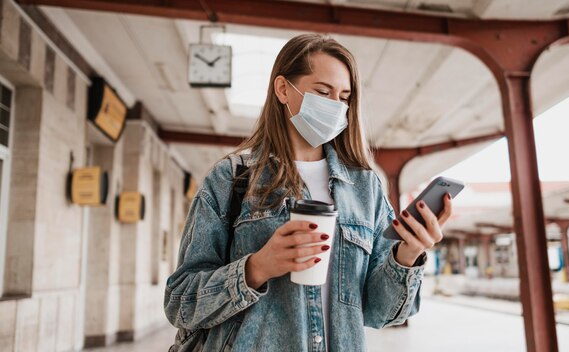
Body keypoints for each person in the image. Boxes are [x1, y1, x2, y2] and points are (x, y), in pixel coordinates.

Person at [164, 33, 452, 352]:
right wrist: (257, 268)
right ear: (283, 89)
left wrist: (408, 255)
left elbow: (380, 314)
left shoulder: (365, 187)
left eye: (344, 96)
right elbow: (180, 302)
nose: (336, 106)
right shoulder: (231, 178)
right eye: (322, 92)